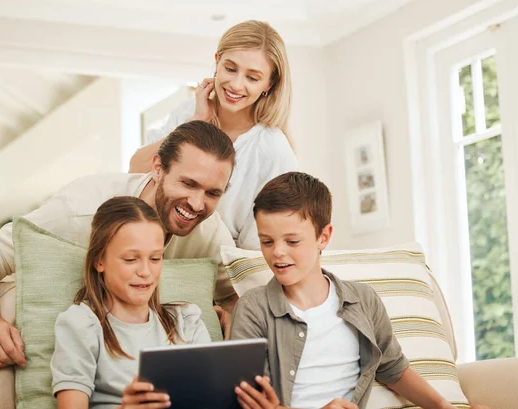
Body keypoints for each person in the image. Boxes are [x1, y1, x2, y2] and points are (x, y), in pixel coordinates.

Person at [0, 120, 237, 369]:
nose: (198, 204)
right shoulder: (82, 209)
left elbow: (237, 296)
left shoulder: (210, 231)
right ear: (158, 168)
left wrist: (229, 315)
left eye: (212, 193)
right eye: (188, 184)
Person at [230, 172, 488, 409]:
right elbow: (252, 400)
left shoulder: (363, 301)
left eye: (292, 241)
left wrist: (446, 407)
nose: (277, 252)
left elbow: (393, 369)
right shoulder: (254, 308)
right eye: (266, 241)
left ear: (324, 236)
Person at [129, 20, 298, 250]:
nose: (236, 85)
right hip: (156, 249)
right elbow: (137, 169)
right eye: (230, 69)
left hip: (222, 263)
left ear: (269, 84)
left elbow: (259, 246)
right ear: (217, 61)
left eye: (252, 77)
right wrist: (194, 123)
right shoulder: (189, 111)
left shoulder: (274, 151)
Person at [51, 196, 211, 409]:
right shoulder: (81, 325)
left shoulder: (187, 321)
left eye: (155, 258)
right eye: (130, 259)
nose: (145, 272)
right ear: (100, 260)